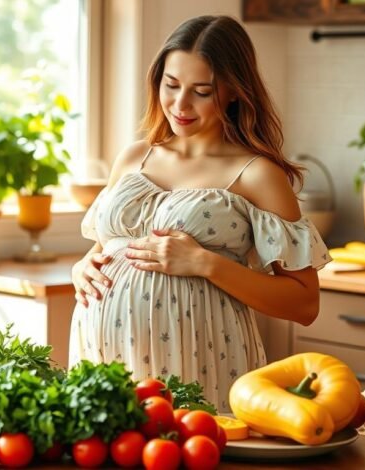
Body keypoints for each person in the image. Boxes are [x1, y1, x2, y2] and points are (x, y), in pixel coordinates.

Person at [68, 15, 329, 412]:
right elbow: (114, 248)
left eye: (201, 92)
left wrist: (204, 263)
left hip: (201, 359)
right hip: (102, 357)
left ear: (233, 93)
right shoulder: (134, 157)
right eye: (170, 85)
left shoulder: (256, 174)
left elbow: (305, 304)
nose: (180, 104)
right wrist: (82, 267)